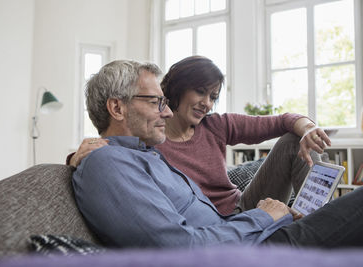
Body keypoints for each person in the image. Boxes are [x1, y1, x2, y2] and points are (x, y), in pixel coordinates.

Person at [72, 59, 363, 248]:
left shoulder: (146, 150)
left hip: (242, 229)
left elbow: (282, 121)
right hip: (248, 244)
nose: (168, 111)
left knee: (292, 143)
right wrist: (263, 218)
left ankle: (315, 216)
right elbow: (182, 247)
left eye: (213, 97)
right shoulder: (112, 160)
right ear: (117, 108)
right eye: (156, 102)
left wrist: (279, 215)